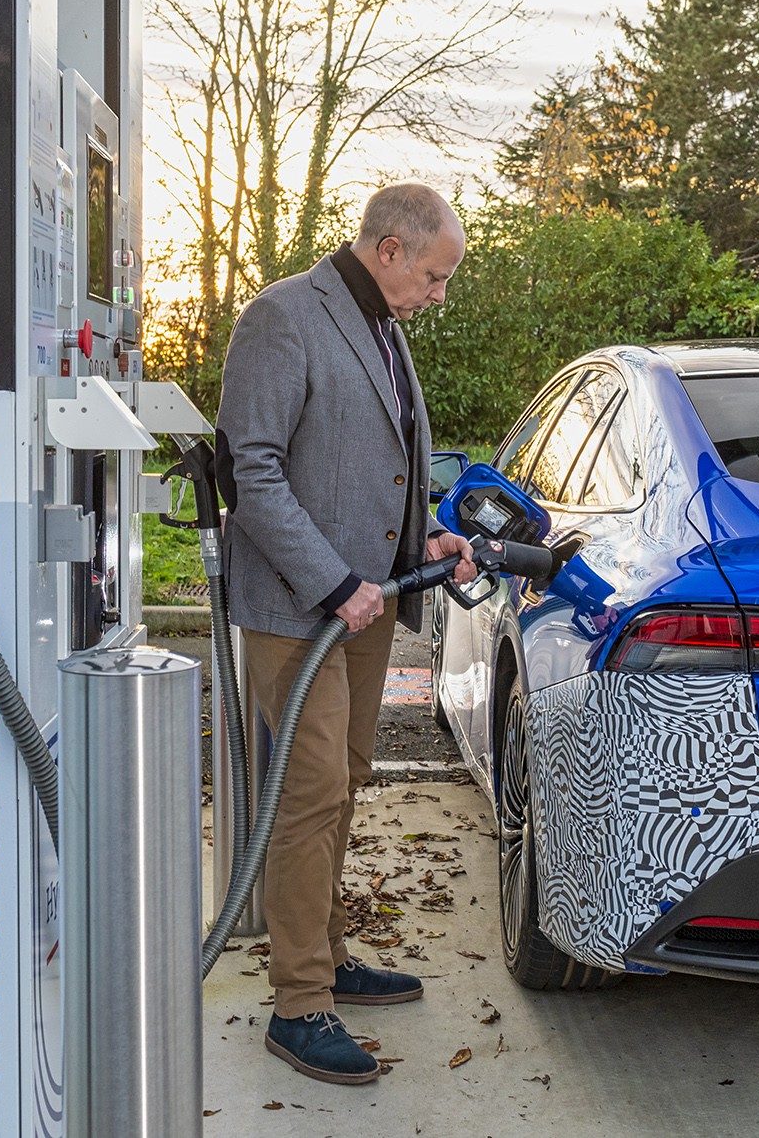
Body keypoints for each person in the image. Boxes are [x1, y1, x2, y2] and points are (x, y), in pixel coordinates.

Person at [217, 183, 475, 1085]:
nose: (439, 295)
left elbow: (386, 460)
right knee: (309, 793)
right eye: (436, 276)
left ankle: (324, 953)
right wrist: (330, 582)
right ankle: (299, 1004)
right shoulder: (283, 318)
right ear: (392, 249)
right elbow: (251, 469)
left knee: (346, 782)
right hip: (301, 611)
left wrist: (427, 537)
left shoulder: (382, 327)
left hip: (365, 606)